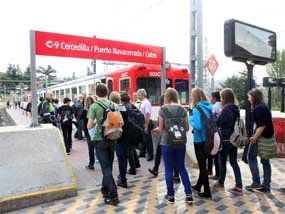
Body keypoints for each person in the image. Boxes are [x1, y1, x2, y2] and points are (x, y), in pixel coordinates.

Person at [153, 88, 193, 204]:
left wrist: (156, 129)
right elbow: (186, 128)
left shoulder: (163, 110)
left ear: (167, 97)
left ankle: (170, 196)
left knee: (169, 169)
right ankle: (189, 194)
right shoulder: (183, 109)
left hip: (166, 143)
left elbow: (160, 129)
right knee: (182, 168)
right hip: (180, 142)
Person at [87, 84, 119, 205]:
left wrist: (96, 121)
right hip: (113, 138)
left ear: (97, 93)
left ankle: (113, 195)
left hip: (100, 141)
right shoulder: (114, 105)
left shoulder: (94, 106)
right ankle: (104, 189)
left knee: (106, 169)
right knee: (108, 167)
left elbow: (89, 126)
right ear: (107, 92)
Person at [214, 88, 243, 194]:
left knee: (222, 161)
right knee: (234, 161)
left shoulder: (226, 109)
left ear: (225, 98)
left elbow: (218, 123)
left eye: (221, 97)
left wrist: (214, 117)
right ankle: (239, 185)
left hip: (226, 139)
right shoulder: (236, 108)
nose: (221, 99)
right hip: (234, 138)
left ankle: (221, 182)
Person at [246, 88, 274, 193]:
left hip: (260, 137)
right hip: (267, 136)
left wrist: (254, 137)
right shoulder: (263, 106)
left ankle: (256, 182)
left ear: (254, 97)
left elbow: (262, 125)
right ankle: (266, 185)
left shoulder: (258, 108)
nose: (248, 99)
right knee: (265, 160)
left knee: (251, 157)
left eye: (249, 97)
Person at [148, 94, 180, 183]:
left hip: (165, 136)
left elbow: (161, 127)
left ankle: (172, 174)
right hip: (175, 135)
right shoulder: (176, 109)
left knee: (164, 154)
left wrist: (157, 129)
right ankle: (174, 174)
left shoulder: (163, 110)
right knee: (170, 155)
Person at [189, 88, 212, 199]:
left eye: (192, 95)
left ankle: (207, 192)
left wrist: (190, 119)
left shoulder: (197, 109)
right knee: (204, 164)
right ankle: (198, 186)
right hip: (208, 139)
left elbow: (197, 126)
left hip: (199, 141)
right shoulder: (208, 106)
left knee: (202, 167)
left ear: (195, 96)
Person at [109, 91, 129, 188]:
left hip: (118, 136)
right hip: (126, 135)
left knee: (121, 158)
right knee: (124, 158)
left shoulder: (114, 109)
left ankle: (123, 179)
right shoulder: (124, 108)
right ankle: (122, 176)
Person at [120, 92, 141, 176]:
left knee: (129, 150)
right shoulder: (132, 105)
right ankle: (137, 163)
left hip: (128, 130)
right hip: (135, 129)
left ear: (122, 100)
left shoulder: (124, 107)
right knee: (132, 148)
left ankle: (133, 169)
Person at [208, 91, 222, 180]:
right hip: (221, 133)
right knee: (218, 154)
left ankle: (216, 174)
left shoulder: (215, 106)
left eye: (211, 97)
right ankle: (217, 173)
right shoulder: (221, 105)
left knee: (215, 154)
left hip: (216, 133)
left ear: (215, 98)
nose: (210, 99)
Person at [137, 88, 153, 161]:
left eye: (139, 95)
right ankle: (142, 152)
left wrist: (146, 125)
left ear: (143, 94)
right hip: (142, 122)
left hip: (146, 122)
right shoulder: (142, 102)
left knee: (148, 139)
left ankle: (150, 154)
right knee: (143, 138)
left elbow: (147, 114)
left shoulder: (146, 103)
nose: (138, 96)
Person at [84, 96, 96, 170]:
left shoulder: (84, 111)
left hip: (88, 131)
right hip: (97, 130)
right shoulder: (96, 109)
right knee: (98, 147)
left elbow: (82, 121)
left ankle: (91, 164)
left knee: (91, 148)